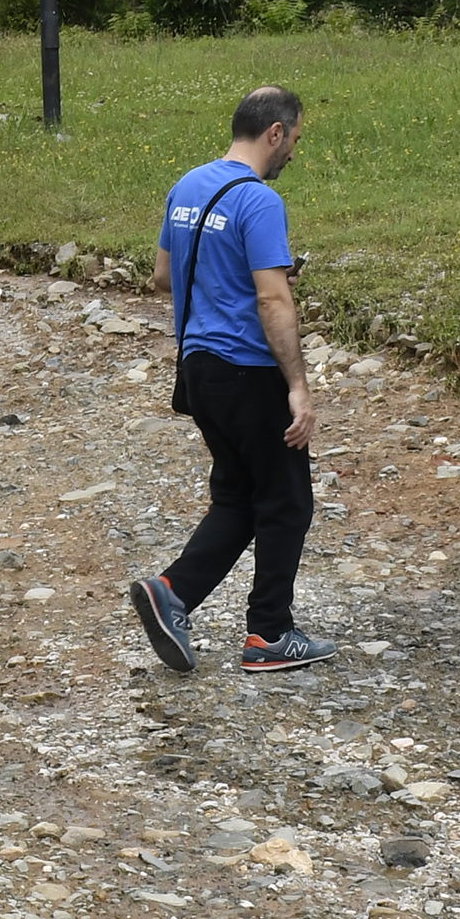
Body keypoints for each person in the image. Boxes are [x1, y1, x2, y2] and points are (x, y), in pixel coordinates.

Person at [127, 86, 338, 674]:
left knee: (240, 497)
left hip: (198, 370)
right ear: (275, 132)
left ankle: (171, 594)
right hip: (247, 371)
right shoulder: (260, 202)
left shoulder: (187, 187)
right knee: (288, 500)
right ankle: (269, 634)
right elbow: (272, 300)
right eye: (295, 139)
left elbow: (164, 278)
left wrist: (231, 278)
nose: (294, 151)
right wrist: (298, 386)